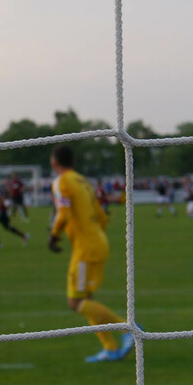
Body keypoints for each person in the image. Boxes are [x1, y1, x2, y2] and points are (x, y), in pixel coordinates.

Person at [47, 144, 134, 363]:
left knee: (75, 303)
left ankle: (127, 329)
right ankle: (111, 348)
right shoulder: (84, 182)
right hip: (96, 241)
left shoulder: (61, 182)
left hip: (86, 248)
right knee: (87, 299)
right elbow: (101, 216)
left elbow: (63, 213)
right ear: (74, 162)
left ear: (54, 162)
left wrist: (54, 235)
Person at [0, 180, 28, 250]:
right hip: (3, 210)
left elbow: (1, 198)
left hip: (1, 211)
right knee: (7, 227)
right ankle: (24, 236)